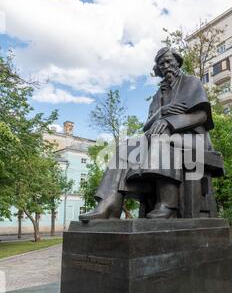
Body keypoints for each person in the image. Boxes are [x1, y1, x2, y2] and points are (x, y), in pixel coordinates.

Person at [80, 47, 223, 221]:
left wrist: (169, 123)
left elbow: (202, 116)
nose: (166, 66)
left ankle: (168, 205)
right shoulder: (158, 95)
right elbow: (147, 125)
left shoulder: (191, 82)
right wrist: (162, 111)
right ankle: (110, 204)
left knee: (160, 138)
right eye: (162, 64)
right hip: (164, 137)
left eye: (169, 61)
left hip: (195, 139)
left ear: (177, 62)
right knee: (125, 147)